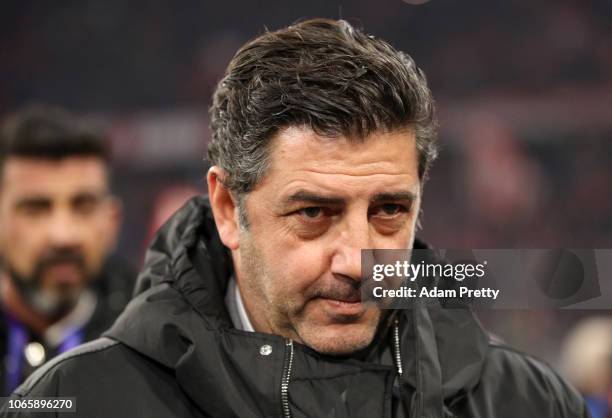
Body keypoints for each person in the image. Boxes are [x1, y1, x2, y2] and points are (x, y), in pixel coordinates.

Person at [1, 19, 589, 417]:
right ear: (229, 209)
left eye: (389, 211)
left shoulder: (527, 401)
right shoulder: (77, 401)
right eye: (313, 213)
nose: (359, 260)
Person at [0, 105, 135, 396]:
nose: (62, 235)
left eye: (83, 206)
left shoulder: (158, 348)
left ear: (111, 223)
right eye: (35, 209)